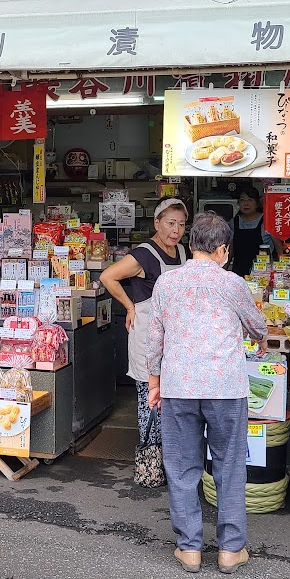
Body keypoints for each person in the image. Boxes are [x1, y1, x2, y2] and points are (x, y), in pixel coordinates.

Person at [146, 211, 268, 574]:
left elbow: (154, 340)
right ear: (223, 250)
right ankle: (230, 549)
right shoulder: (232, 283)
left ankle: (189, 548)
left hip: (179, 386)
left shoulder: (167, 284)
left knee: (182, 467)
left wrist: (154, 382)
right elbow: (258, 327)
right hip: (226, 389)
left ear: (191, 244)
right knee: (229, 467)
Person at [99, 198, 189, 468]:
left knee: (171, 397)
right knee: (147, 396)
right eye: (170, 223)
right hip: (147, 334)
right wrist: (129, 306)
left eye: (182, 224)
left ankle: (171, 460)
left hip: (175, 337)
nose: (176, 230)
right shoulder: (143, 253)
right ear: (157, 223)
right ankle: (150, 464)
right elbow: (108, 276)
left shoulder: (183, 253)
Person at [230, 185, 283, 277]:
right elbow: (230, 250)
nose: (246, 204)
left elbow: (279, 247)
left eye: (250, 200)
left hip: (263, 273)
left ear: (257, 204)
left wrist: (283, 269)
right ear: (238, 203)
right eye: (242, 200)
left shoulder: (267, 221)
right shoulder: (233, 222)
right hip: (239, 272)